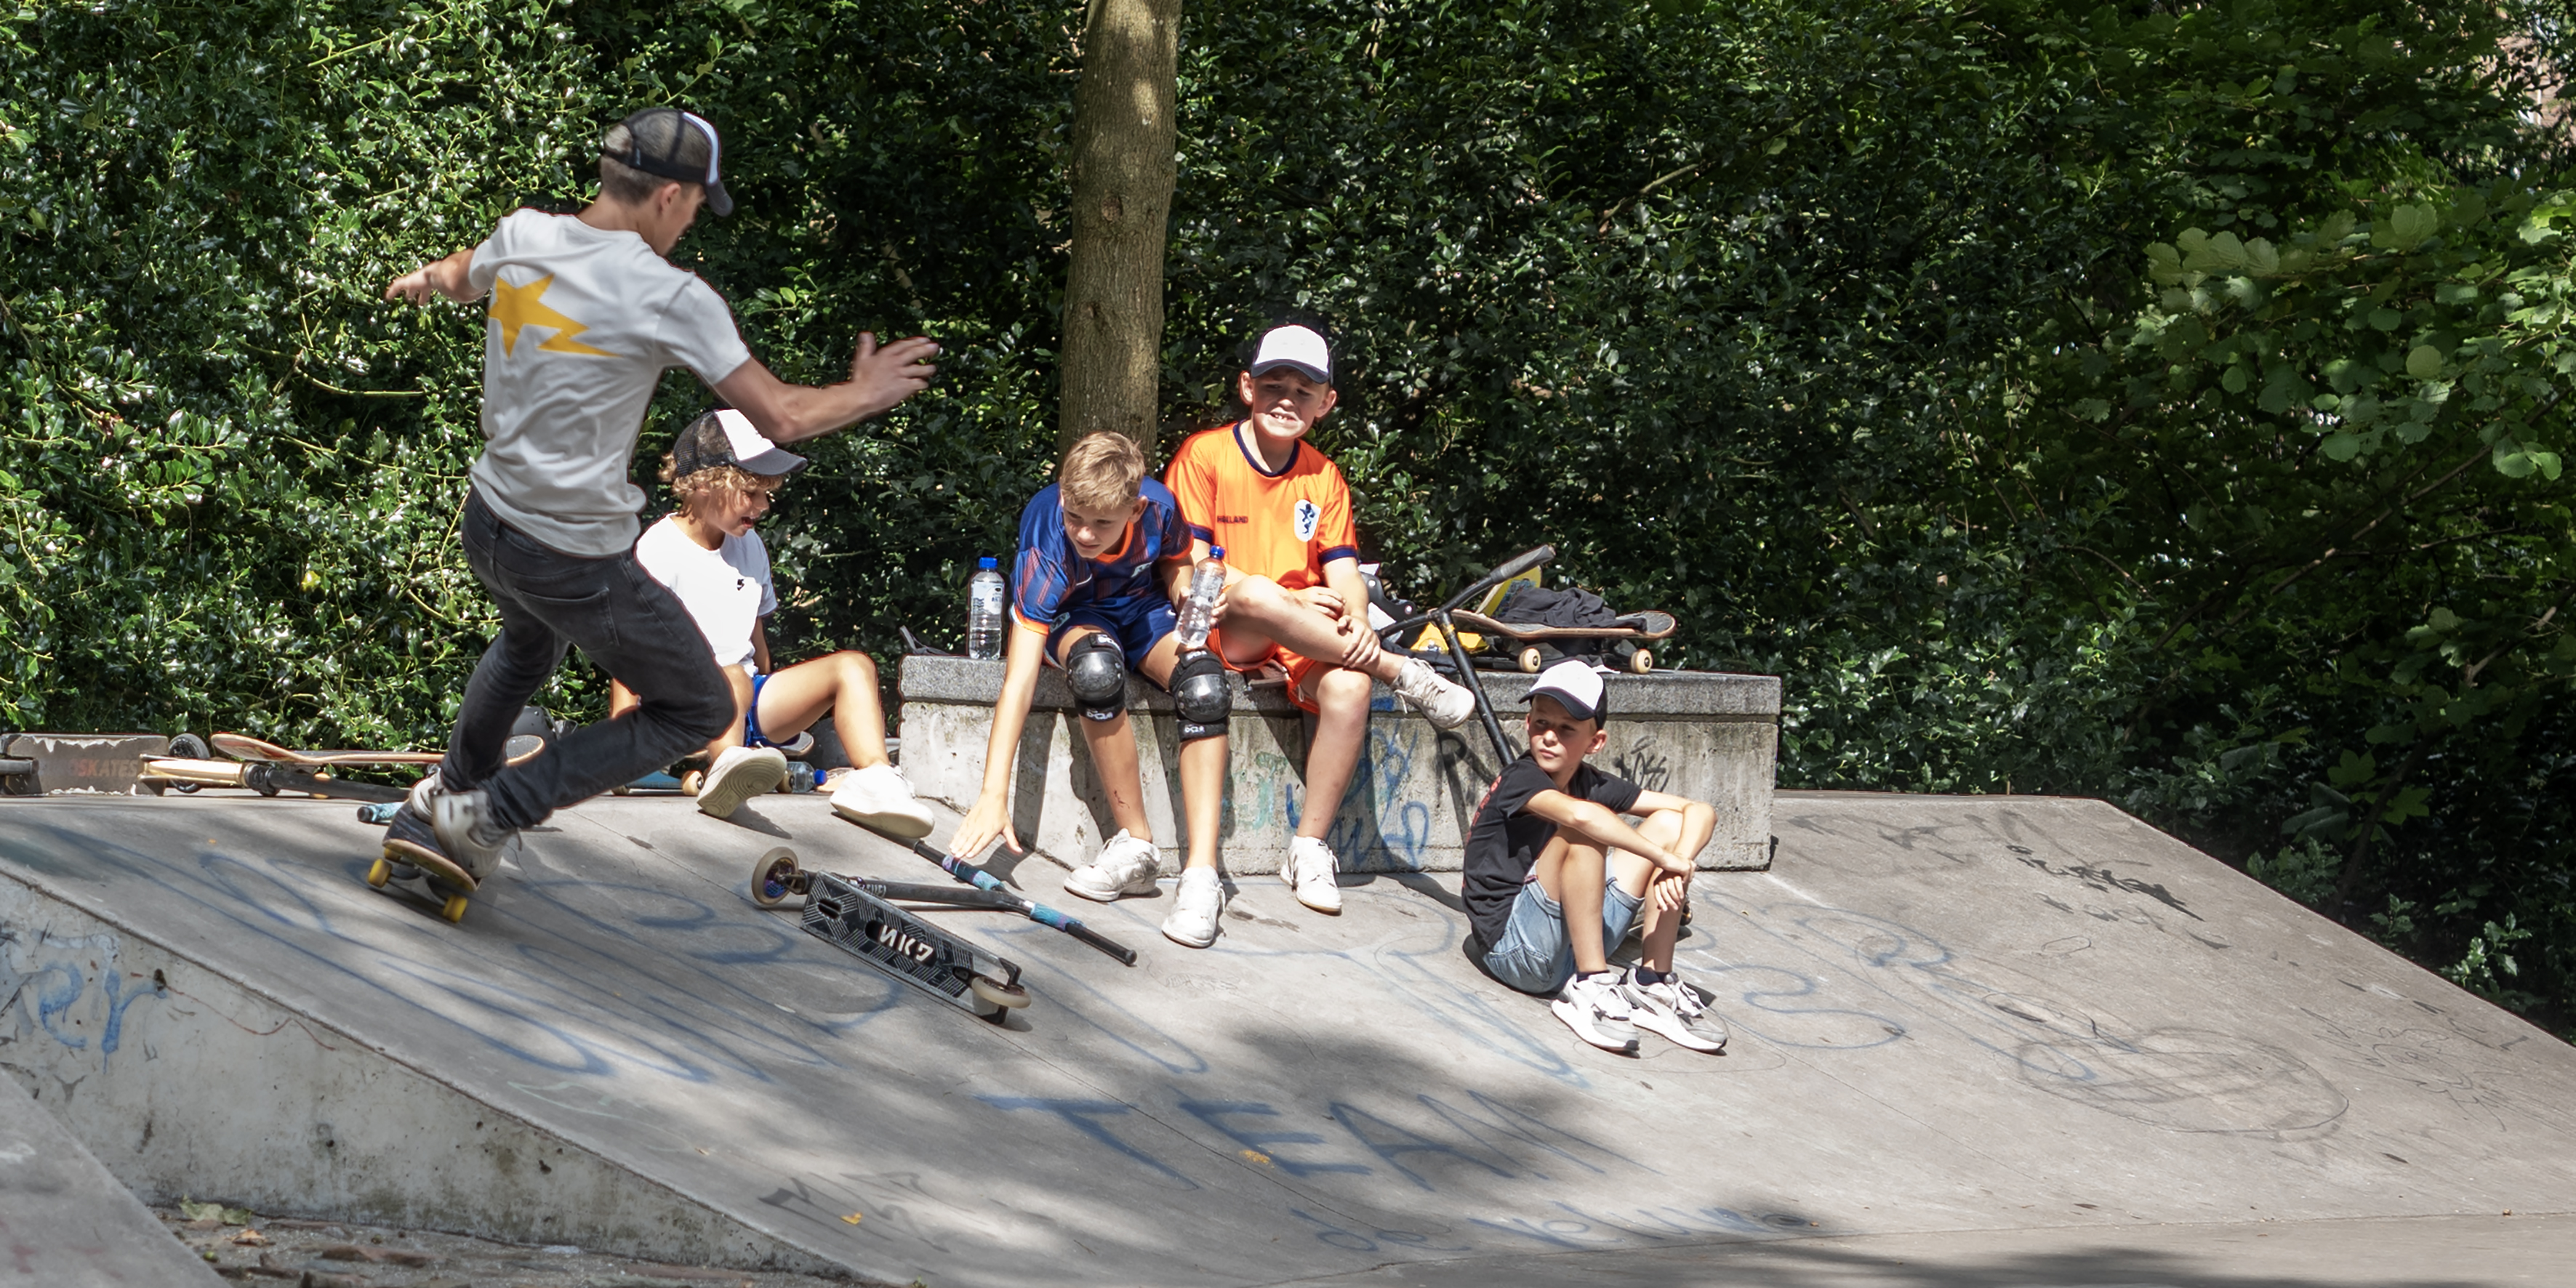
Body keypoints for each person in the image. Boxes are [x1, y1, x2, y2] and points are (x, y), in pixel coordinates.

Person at [379, 107, 938, 893]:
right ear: (670, 197)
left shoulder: (523, 234)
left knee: (526, 646)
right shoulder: (669, 294)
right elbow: (778, 414)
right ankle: (498, 805)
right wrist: (865, 391)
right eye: (696, 209)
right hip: (571, 550)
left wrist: (426, 279)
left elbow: (462, 271)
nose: (690, 228)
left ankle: (444, 792)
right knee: (696, 704)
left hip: (489, 520)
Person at [1165, 323, 1476, 917]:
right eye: (1274, 383)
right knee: (1257, 593)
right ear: (1246, 387)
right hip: (1224, 620)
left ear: (1325, 403)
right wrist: (1289, 599)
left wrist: (1357, 623)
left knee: (1350, 683)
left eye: (1304, 390)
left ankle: (1308, 846)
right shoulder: (1203, 455)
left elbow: (1343, 571)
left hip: (1300, 632)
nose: (1287, 399)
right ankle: (1399, 671)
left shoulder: (1323, 474)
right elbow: (1193, 568)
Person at [947, 432, 1235, 946]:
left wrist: (1183, 590)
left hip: (1143, 611)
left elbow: (1175, 561)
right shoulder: (1046, 538)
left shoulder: (1161, 508)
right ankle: (1136, 847)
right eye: (1074, 516)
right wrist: (993, 794)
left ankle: (1201, 875)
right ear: (1061, 498)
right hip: (1075, 617)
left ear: (1135, 507)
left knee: (1206, 686)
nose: (1083, 533)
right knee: (1098, 672)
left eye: (1102, 523)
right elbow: (1019, 677)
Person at [607, 409, 934, 834]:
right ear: (706, 484)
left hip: (743, 702)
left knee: (854, 666)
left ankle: (875, 779)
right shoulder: (659, 549)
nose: (763, 506)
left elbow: (756, 645)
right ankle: (725, 768)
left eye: (766, 494)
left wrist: (771, 702)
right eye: (751, 492)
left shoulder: (750, 545)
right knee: (730, 677)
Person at [1461, 660, 1726, 1055]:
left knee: (1669, 823)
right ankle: (1592, 986)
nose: (1549, 737)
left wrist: (1679, 860)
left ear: (1595, 742)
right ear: (1527, 724)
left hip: (1567, 942)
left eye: (1566, 729)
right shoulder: (1522, 778)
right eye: (1540, 724)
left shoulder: (1591, 780)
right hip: (1513, 949)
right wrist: (1661, 859)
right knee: (1580, 833)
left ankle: (1652, 984)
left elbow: (1699, 810)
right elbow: (1579, 815)